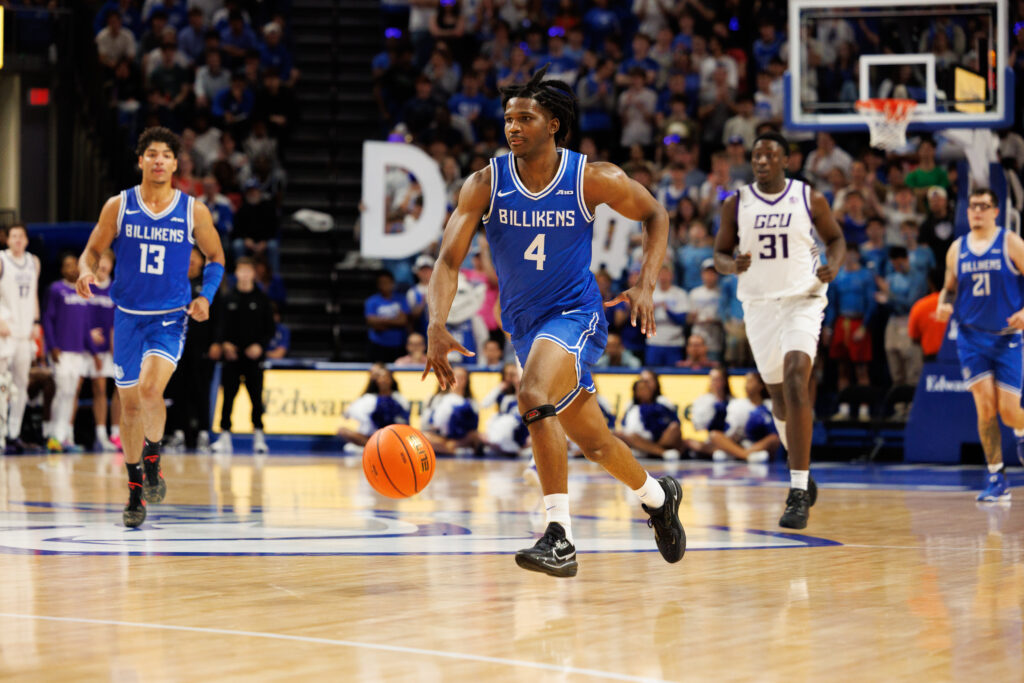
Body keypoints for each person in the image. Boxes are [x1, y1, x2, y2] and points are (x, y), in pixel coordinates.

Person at [422, 66, 685, 578]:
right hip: (525, 327)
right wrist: (437, 321)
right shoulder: (484, 184)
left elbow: (657, 216)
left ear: (554, 125)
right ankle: (658, 497)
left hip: (576, 314)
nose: (513, 127)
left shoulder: (591, 177)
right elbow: (448, 262)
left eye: (526, 118)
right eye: (509, 119)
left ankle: (558, 536)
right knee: (595, 442)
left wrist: (646, 281)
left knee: (531, 392)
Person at [76, 126, 226, 528]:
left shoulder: (193, 210)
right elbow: (92, 250)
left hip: (170, 316)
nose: (159, 160)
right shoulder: (118, 205)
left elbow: (216, 258)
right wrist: (86, 272)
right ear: (140, 160)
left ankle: (153, 454)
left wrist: (205, 296)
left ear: (176, 164)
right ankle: (135, 487)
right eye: (152, 154)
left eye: (166, 155)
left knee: (147, 391)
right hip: (127, 315)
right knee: (127, 405)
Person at [714, 130, 844, 529]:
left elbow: (836, 239)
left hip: (804, 299)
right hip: (759, 306)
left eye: (770, 155)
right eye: (756, 156)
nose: (762, 161)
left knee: (794, 382)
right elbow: (718, 254)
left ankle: (797, 490)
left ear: (786, 161)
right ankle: (800, 469)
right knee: (780, 400)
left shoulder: (809, 197)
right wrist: (730, 265)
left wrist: (833, 266)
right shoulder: (736, 203)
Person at [936, 188, 1024, 502]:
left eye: (983, 206)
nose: (976, 211)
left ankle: (1021, 432)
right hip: (971, 338)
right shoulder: (956, 249)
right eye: (973, 206)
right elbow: (948, 289)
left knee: (1010, 413)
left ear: (995, 212)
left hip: (1006, 338)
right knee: (985, 408)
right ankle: (996, 476)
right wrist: (943, 304)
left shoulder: (1010, 242)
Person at [210, 256, 274, 454]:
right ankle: (225, 436)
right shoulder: (228, 298)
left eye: (248, 271)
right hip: (232, 357)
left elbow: (270, 329)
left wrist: (260, 346)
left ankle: (259, 437)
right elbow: (219, 325)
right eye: (241, 270)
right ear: (236, 273)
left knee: (256, 397)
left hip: (254, 358)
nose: (244, 275)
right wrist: (224, 343)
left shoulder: (262, 299)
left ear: (254, 273)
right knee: (228, 396)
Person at [43, 253, 92, 453]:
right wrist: (52, 346)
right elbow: (47, 319)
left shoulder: (84, 291)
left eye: (75, 265)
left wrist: (93, 350)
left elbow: (86, 324)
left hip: (78, 351)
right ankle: (53, 435)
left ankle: (63, 436)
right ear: (62, 269)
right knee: (62, 391)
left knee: (71, 393)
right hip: (61, 351)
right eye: (68, 265)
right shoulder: (56, 289)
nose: (72, 268)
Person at [0, 224, 42, 453]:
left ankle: (13, 433)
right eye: (13, 236)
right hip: (5, 331)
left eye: (21, 236)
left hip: (25, 332)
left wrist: (36, 323)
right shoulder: (2, 260)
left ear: (26, 240)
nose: (17, 240)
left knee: (21, 385)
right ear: (7, 240)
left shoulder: (33, 262)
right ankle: (0, 435)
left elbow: (34, 294)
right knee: (1, 384)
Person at [85, 249, 119, 452]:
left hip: (113, 347)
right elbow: (82, 315)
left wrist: (117, 349)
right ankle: (100, 434)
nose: (104, 267)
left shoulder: (116, 288)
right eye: (101, 264)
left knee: (119, 390)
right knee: (99, 388)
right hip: (92, 347)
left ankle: (116, 433)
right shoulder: (88, 285)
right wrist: (90, 335)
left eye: (108, 264)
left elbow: (119, 321)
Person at [707, 371, 780, 463]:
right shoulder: (737, 403)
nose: (746, 386)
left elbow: (773, 432)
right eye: (746, 382)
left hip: (756, 444)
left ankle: (737, 455)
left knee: (774, 438)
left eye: (750, 382)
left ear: (760, 386)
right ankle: (745, 455)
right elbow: (727, 428)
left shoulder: (768, 405)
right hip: (737, 442)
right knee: (714, 435)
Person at [337, 364, 410, 454]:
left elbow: (405, 422)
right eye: (380, 377)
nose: (383, 380)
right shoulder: (368, 398)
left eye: (386, 377)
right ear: (375, 381)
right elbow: (347, 413)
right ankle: (374, 448)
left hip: (392, 438)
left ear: (391, 380)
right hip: (371, 437)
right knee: (342, 430)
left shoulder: (399, 399)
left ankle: (377, 449)